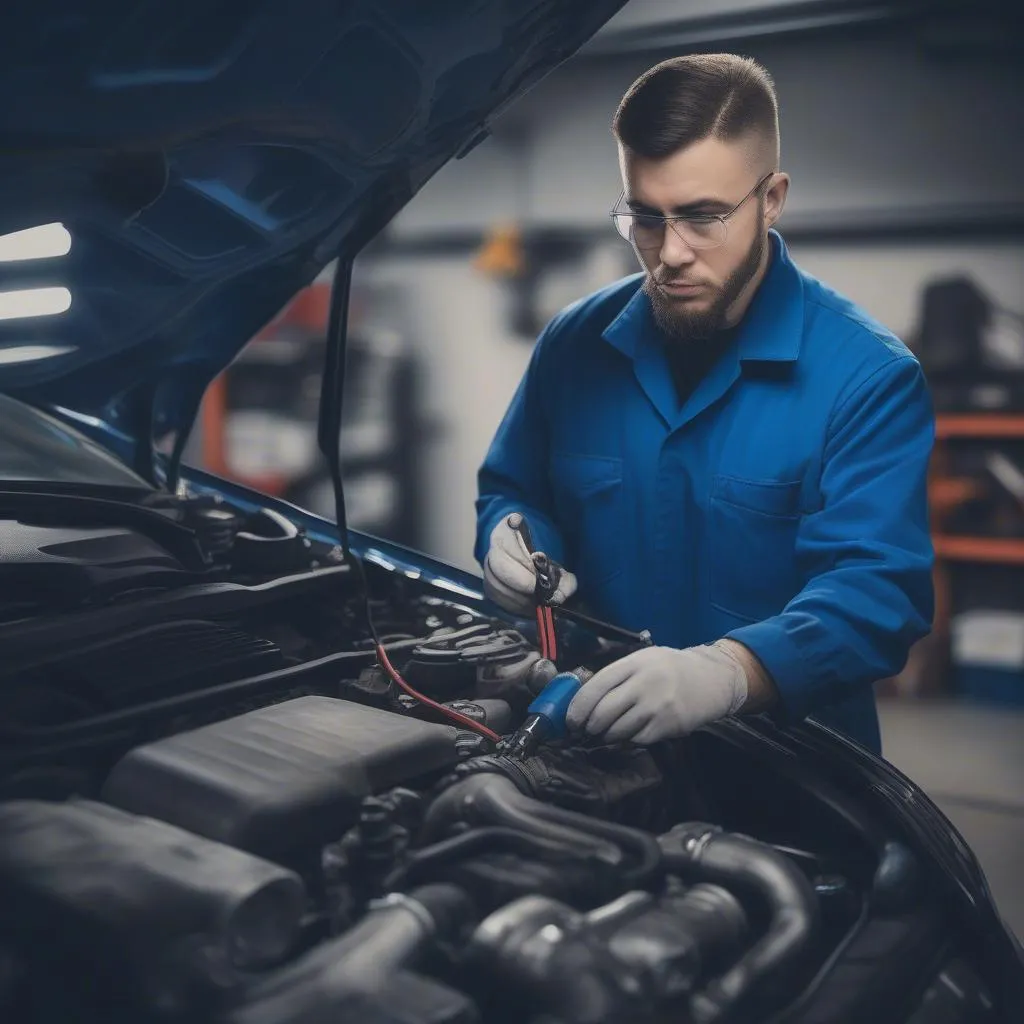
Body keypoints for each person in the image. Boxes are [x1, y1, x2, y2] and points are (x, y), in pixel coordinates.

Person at [474, 53, 934, 755]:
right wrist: (509, 538)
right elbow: (514, 489)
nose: (670, 254)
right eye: (646, 219)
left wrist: (730, 673)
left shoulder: (867, 377)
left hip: (790, 767)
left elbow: (877, 594)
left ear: (772, 197)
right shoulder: (574, 343)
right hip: (594, 741)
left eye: (702, 216)